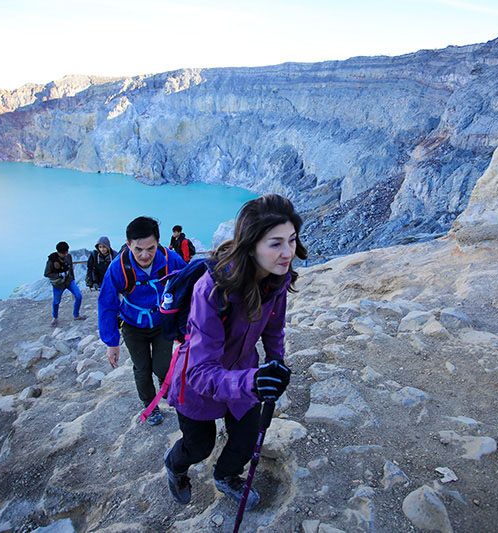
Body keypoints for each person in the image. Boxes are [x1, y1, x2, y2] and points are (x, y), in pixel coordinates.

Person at [164, 194, 307, 508]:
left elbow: (273, 326)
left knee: (247, 438)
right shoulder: (213, 289)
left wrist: (276, 361)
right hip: (199, 382)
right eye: (276, 243)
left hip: (244, 371)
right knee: (198, 447)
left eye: (292, 240)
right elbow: (200, 372)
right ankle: (175, 465)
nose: (288, 253)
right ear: (251, 244)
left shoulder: (276, 279)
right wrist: (253, 381)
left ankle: (226, 476)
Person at [98, 217, 187, 425]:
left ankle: (166, 391)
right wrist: (111, 343)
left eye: (151, 248)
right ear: (128, 244)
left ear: (158, 243)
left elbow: (189, 281)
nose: (145, 255)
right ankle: (150, 405)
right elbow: (107, 304)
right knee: (142, 368)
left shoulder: (169, 259)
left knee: (162, 366)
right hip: (132, 326)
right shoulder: (118, 268)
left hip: (160, 322)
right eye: (138, 249)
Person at [44, 241, 87, 327]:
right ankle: (55, 318)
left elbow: (71, 269)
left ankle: (76, 315)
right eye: (63, 253)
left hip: (69, 280)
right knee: (56, 301)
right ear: (58, 252)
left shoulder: (68, 257)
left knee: (78, 296)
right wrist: (59, 275)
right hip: (58, 284)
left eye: (66, 252)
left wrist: (73, 279)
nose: (66, 254)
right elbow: (47, 273)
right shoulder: (52, 261)